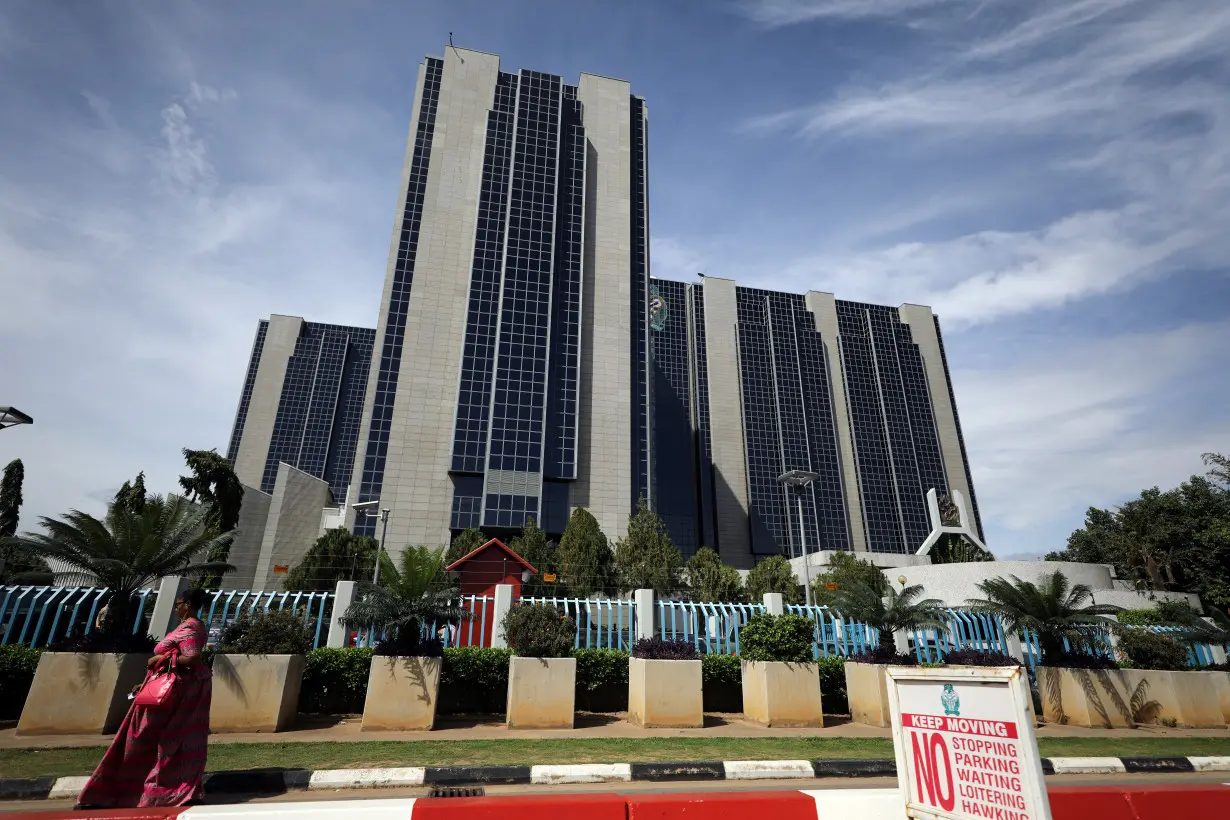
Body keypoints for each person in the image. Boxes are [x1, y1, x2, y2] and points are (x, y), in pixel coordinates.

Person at [76, 587, 213, 808]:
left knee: (157, 738)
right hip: (166, 686)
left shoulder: (192, 628)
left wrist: (158, 661)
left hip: (177, 693)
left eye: (178, 604)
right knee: (149, 737)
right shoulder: (185, 626)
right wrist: (151, 674)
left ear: (188, 604)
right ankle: (128, 790)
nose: (176, 609)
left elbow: (193, 658)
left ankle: (159, 791)